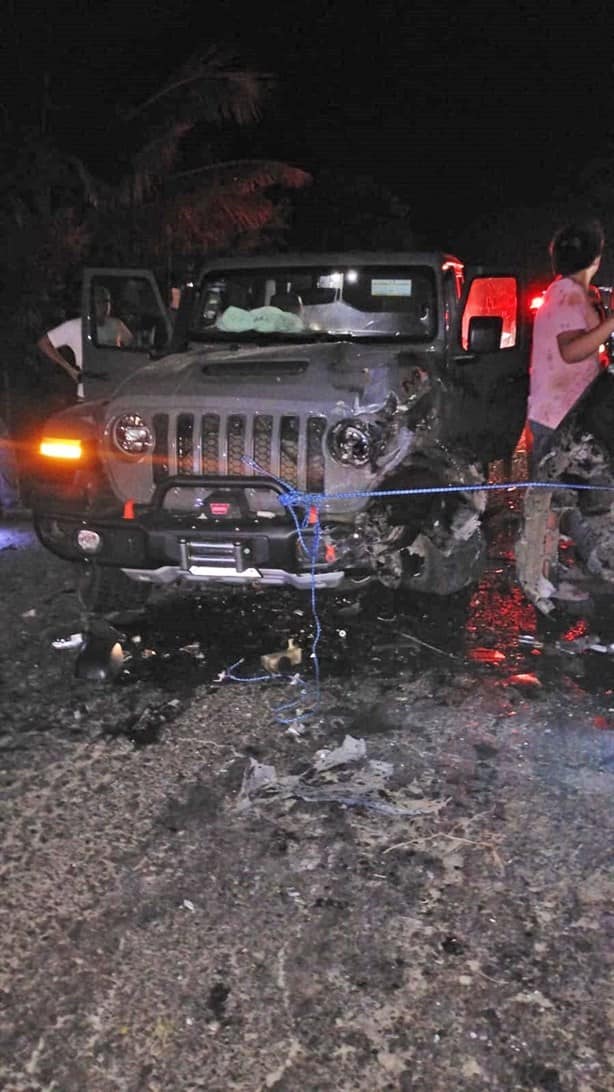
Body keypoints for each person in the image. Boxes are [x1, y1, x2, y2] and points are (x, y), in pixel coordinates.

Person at [527, 219, 614, 473]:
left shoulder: (567, 292)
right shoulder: (568, 293)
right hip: (563, 420)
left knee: (564, 499)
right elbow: (571, 351)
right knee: (564, 499)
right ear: (595, 258)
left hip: (560, 415)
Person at [37, 285, 134, 396]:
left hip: (114, 388)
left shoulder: (116, 324)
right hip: (88, 388)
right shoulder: (75, 326)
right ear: (90, 304)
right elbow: (44, 343)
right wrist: (70, 369)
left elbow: (131, 344)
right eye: (99, 302)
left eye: (106, 301)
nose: (104, 306)